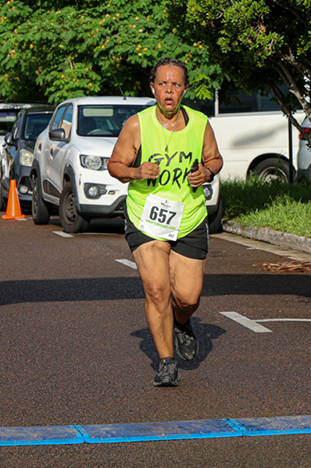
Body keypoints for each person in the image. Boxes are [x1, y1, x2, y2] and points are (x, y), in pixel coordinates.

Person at [108, 58, 223, 387]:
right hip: (147, 217)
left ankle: (182, 323)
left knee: (187, 298)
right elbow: (115, 164)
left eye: (175, 85)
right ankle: (166, 361)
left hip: (188, 218)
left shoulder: (200, 123)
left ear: (185, 89)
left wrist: (207, 171)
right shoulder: (137, 125)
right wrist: (135, 171)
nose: (168, 91)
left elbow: (214, 157)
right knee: (158, 290)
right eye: (162, 84)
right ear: (153, 88)